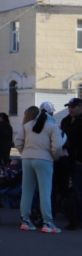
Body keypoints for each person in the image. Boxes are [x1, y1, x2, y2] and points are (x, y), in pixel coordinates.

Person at [15, 105, 65, 233]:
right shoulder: (53, 127)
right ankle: (47, 222)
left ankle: (25, 221)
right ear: (51, 114)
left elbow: (18, 141)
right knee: (45, 192)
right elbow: (58, 146)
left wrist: (24, 153)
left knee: (27, 191)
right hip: (44, 160)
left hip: (27, 159)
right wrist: (54, 157)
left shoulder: (27, 125)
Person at [60, 98, 82, 230]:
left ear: (80, 107)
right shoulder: (65, 121)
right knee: (67, 190)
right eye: (69, 107)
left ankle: (78, 219)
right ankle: (73, 218)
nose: (70, 109)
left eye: (73, 107)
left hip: (78, 162)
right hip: (65, 159)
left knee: (78, 190)